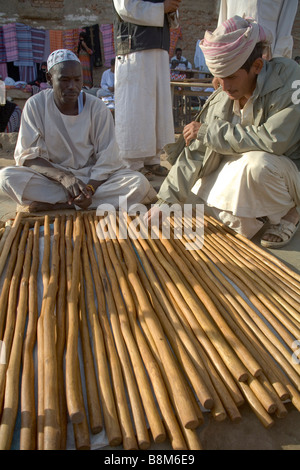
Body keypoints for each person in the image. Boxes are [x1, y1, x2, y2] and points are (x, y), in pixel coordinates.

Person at [151, 16, 300, 249]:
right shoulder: (224, 94)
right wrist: (164, 202)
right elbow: (197, 153)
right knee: (196, 188)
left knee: (257, 165)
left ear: (257, 67)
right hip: (253, 170)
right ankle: (259, 214)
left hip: (287, 172)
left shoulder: (289, 77)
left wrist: (210, 131)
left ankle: (291, 212)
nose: (224, 86)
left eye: (231, 76)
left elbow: (273, 141)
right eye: (219, 78)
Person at [0, 49, 155, 213]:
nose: (72, 86)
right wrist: (64, 177)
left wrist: (89, 189)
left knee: (138, 183)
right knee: (6, 178)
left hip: (92, 179)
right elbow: (28, 156)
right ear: (49, 79)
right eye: (65, 80)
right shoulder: (35, 105)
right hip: (52, 178)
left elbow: (108, 159)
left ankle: (61, 203)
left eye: (77, 79)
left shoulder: (97, 108)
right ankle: (80, 201)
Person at [112, 0, 182, 180]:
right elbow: (125, 6)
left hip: (159, 48)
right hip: (135, 47)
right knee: (135, 104)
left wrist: (170, 9)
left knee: (158, 103)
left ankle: (153, 159)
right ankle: (132, 163)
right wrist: (161, 8)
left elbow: (168, 15)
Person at [218, 0, 298, 59]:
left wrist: (278, 59)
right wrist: (219, 53)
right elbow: (223, 19)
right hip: (233, 50)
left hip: (265, 53)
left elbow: (286, 23)